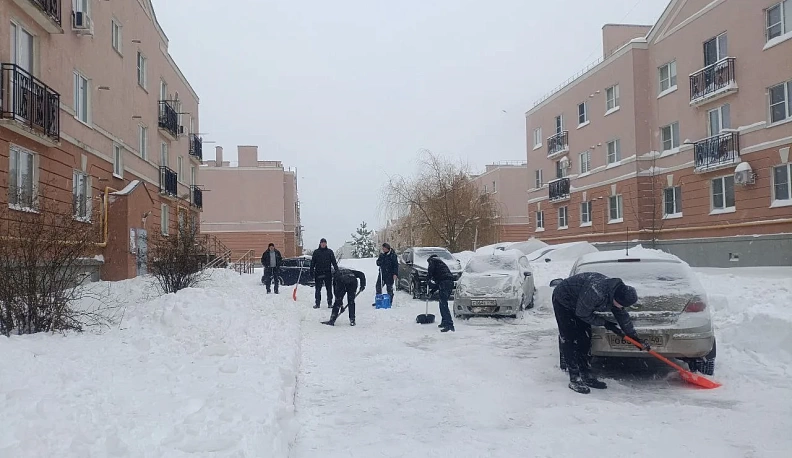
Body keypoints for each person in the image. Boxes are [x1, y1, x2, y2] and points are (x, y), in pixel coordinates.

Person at [552, 272, 650, 394]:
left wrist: (633, 337)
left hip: (581, 303)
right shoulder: (596, 292)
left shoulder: (617, 293)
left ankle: (586, 374)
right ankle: (574, 378)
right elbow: (582, 313)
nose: (621, 307)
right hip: (564, 300)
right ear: (616, 298)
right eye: (621, 305)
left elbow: (622, 316)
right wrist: (605, 323)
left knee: (585, 339)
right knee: (570, 338)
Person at [427, 254, 456, 332]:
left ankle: (449, 325)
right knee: (442, 303)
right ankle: (444, 322)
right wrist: (432, 291)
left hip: (445, 283)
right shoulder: (440, 265)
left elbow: (431, 271)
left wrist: (428, 278)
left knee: (443, 304)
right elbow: (439, 282)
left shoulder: (433, 261)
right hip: (448, 283)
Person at [310, 238, 339, 309]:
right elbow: (312, 263)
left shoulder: (330, 252)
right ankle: (317, 304)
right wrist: (311, 271)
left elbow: (334, 262)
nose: (323, 244)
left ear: (326, 244)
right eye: (322, 243)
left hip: (327, 273)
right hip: (318, 273)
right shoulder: (316, 252)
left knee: (329, 289)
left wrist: (337, 270)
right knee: (317, 289)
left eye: (324, 243)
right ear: (320, 244)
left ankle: (330, 303)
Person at [373, 243, 398, 307]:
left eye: (384, 248)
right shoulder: (382, 255)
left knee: (389, 288)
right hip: (382, 274)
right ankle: (379, 300)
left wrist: (395, 274)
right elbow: (378, 262)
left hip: (390, 274)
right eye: (382, 248)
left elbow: (395, 265)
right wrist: (379, 262)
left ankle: (389, 301)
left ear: (387, 248)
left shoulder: (393, 255)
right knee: (378, 286)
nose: (383, 249)